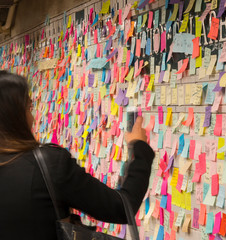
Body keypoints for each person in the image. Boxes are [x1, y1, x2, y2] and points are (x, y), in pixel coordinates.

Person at [0, 71, 154, 239]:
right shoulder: (49, 165)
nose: (33, 118)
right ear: (14, 116)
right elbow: (123, 207)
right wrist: (140, 149)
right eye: (28, 108)